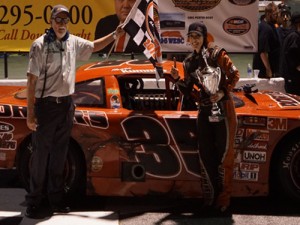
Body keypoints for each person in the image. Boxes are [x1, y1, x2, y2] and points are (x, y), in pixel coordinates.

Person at [25, 4, 124, 218]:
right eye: (58, 20)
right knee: (41, 156)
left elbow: (95, 46)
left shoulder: (73, 42)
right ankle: (34, 201)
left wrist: (114, 35)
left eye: (65, 20)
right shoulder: (39, 45)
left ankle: (56, 199)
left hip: (66, 105)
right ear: (51, 21)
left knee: (60, 154)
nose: (62, 24)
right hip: (46, 106)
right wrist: (30, 113)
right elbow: (31, 80)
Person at [170, 22, 239, 213]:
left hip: (224, 108)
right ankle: (210, 198)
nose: (194, 40)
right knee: (206, 155)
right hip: (204, 111)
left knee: (225, 156)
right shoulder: (188, 62)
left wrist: (223, 93)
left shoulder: (217, 54)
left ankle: (224, 200)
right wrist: (177, 80)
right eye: (191, 36)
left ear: (205, 37)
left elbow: (235, 75)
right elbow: (189, 92)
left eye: (197, 36)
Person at [253, 2, 280, 78]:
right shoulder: (265, 28)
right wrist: (268, 69)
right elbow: (263, 52)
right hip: (264, 70)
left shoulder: (271, 25)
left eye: (277, 14)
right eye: (275, 15)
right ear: (268, 14)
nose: (277, 16)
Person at [279, 11, 300, 95]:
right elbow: (293, 56)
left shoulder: (289, 34)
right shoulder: (295, 36)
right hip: (293, 77)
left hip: (287, 75)